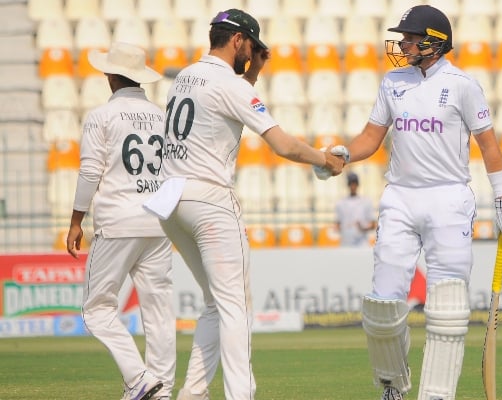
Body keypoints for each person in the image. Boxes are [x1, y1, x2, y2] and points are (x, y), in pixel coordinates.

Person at [314, 5, 502, 400]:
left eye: (411, 38)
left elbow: (490, 148)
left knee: (447, 308)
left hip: (449, 198)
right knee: (381, 307)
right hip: (400, 197)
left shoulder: (463, 85)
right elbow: (370, 138)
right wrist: (345, 154)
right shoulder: (393, 82)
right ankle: (392, 385)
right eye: (403, 38)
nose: (403, 44)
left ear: (434, 42)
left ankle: (436, 395)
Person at [142, 9, 345, 400]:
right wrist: (325, 160)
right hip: (209, 200)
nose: (251, 55)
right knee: (236, 305)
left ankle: (194, 393)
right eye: (251, 47)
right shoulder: (231, 86)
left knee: (216, 303)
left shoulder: (185, 76)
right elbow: (284, 145)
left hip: (171, 198)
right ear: (238, 41)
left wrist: (252, 75)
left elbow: (223, 103)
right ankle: (241, 395)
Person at [65, 42, 176, 400]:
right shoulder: (162, 115)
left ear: (111, 76)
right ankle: (161, 388)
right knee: (158, 310)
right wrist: (164, 214)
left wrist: (75, 221)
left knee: (96, 309)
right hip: (158, 222)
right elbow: (177, 171)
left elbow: (90, 171)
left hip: (117, 222)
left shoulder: (102, 116)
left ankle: (138, 377)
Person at [335, 172, 377, 246]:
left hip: (362, 244)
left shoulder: (366, 202)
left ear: (358, 185)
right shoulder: (340, 203)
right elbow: (337, 225)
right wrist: (346, 228)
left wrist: (363, 228)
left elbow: (373, 225)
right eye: (351, 184)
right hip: (346, 243)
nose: (353, 186)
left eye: (354, 183)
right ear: (348, 185)